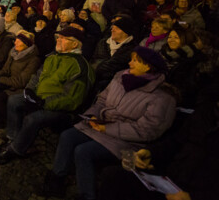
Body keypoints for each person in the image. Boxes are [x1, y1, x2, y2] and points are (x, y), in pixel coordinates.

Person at [40, 46, 176, 200]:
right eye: (131, 59)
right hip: (101, 126)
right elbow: (102, 100)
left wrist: (107, 129)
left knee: (83, 151)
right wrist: (92, 115)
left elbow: (147, 131)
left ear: (148, 67)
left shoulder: (162, 98)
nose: (130, 63)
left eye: (135, 61)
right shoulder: (120, 77)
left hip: (127, 141)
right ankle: (57, 179)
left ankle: (87, 195)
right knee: (67, 136)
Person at [98, 82, 219, 200]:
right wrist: (149, 153)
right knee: (113, 175)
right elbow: (176, 141)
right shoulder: (206, 111)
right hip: (173, 178)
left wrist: (195, 197)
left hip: (200, 190)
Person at [0, 27, 95, 165]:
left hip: (59, 108)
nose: (57, 40)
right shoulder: (52, 57)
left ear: (74, 44)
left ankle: (16, 149)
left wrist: (43, 103)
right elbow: (37, 76)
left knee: (33, 118)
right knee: (14, 100)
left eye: (62, 38)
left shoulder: (80, 66)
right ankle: (13, 138)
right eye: (58, 37)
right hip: (38, 99)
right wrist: (29, 90)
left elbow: (72, 99)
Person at [0, 31, 41, 128]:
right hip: (7, 82)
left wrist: (0, 79)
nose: (15, 43)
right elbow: (5, 69)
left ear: (26, 44)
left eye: (18, 41)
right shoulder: (14, 52)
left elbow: (21, 81)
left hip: (19, 88)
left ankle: (10, 124)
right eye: (15, 40)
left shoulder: (33, 60)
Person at [91, 17, 138, 91]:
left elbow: (116, 68)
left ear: (126, 32)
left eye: (117, 28)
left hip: (115, 85)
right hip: (95, 78)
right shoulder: (103, 43)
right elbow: (95, 59)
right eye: (112, 27)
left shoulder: (132, 49)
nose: (112, 30)